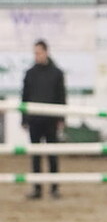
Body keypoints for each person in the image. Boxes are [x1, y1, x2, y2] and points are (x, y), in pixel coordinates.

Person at [22, 40, 66, 199]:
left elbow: (61, 96)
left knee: (52, 155)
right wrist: (24, 118)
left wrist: (61, 118)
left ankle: (54, 188)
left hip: (51, 120)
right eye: (35, 53)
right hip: (34, 120)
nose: (36, 56)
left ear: (46, 52)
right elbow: (25, 97)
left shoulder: (57, 73)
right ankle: (37, 189)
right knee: (35, 156)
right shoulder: (30, 73)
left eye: (39, 52)